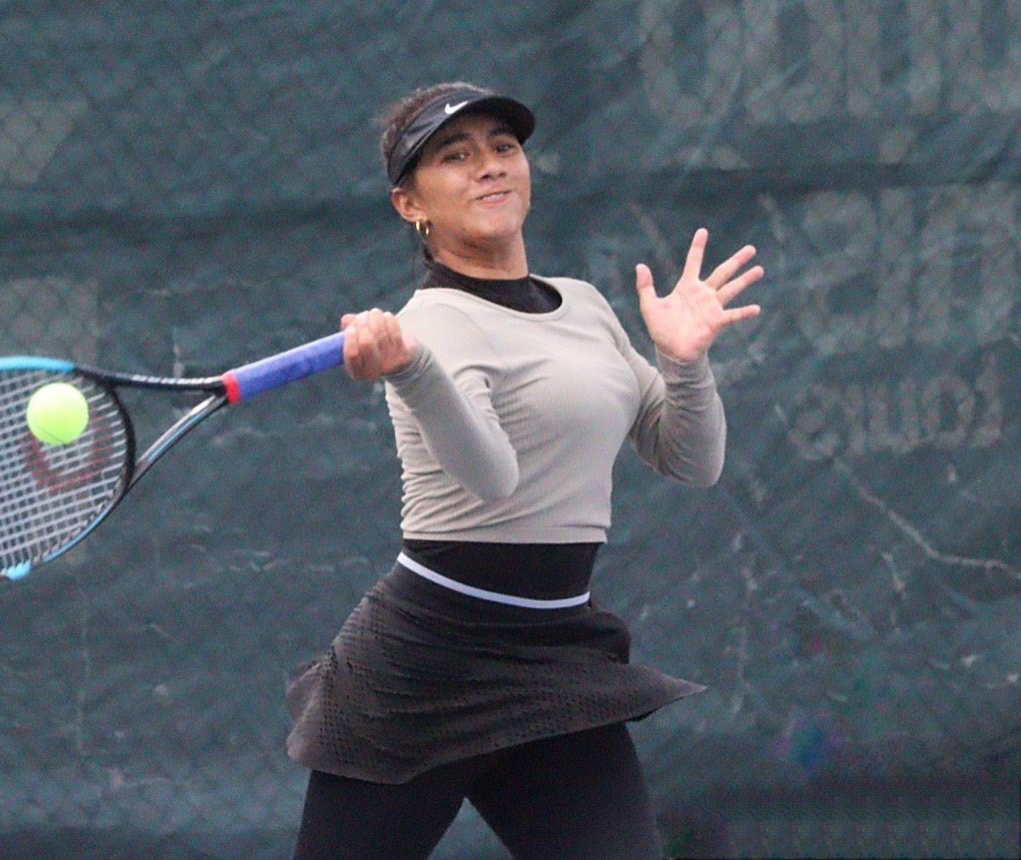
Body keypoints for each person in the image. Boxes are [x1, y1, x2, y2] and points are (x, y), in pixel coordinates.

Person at [285, 82, 763, 860]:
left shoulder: (582, 305)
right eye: (455, 156)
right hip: (424, 663)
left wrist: (683, 364)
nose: (489, 166)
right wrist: (411, 370)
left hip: (553, 661)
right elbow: (493, 480)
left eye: (502, 147)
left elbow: (690, 459)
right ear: (411, 205)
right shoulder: (429, 324)